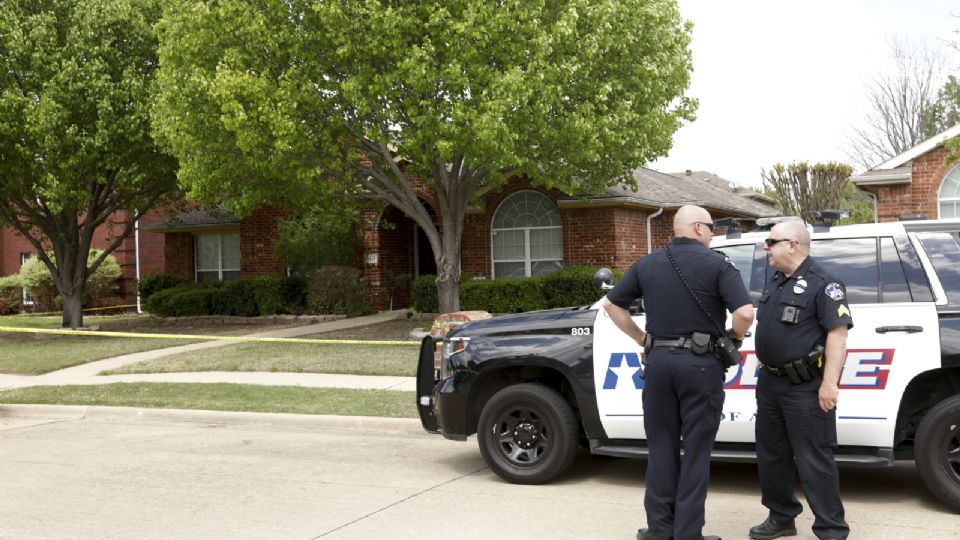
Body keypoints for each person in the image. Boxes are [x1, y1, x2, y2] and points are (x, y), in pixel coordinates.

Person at [604, 205, 754, 540]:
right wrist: (734, 338)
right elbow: (744, 312)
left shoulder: (648, 263)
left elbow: (612, 305)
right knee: (696, 451)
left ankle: (659, 529)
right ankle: (687, 533)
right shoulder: (717, 264)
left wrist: (643, 339)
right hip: (700, 366)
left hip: (657, 364)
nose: (713, 234)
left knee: (660, 448)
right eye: (711, 227)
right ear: (699, 228)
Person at [749, 220, 852, 540]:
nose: (766, 247)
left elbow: (837, 335)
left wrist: (829, 384)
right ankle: (781, 517)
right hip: (770, 383)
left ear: (792, 244)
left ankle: (831, 529)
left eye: (771, 242)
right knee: (771, 455)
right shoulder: (776, 280)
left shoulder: (825, 283)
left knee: (814, 459)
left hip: (805, 386)